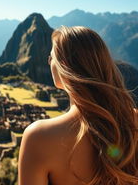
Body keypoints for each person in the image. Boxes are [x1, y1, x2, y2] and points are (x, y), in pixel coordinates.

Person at [18, 26, 138, 185]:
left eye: (51, 57)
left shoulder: (38, 137)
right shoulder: (133, 122)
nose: (49, 62)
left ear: (64, 65)